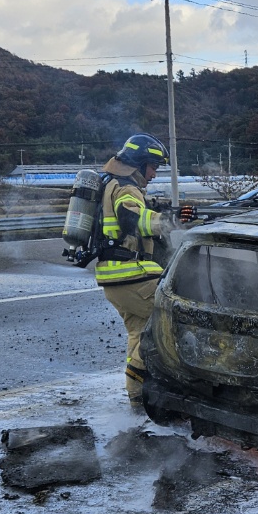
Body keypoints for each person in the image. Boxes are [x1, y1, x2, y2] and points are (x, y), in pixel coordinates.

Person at [96, 134, 169, 406]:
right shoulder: (126, 188)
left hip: (113, 278)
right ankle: (141, 377)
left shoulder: (110, 183)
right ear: (140, 164)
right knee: (171, 319)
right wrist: (169, 221)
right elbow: (133, 221)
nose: (154, 174)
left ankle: (136, 398)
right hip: (130, 274)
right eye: (153, 167)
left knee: (139, 332)